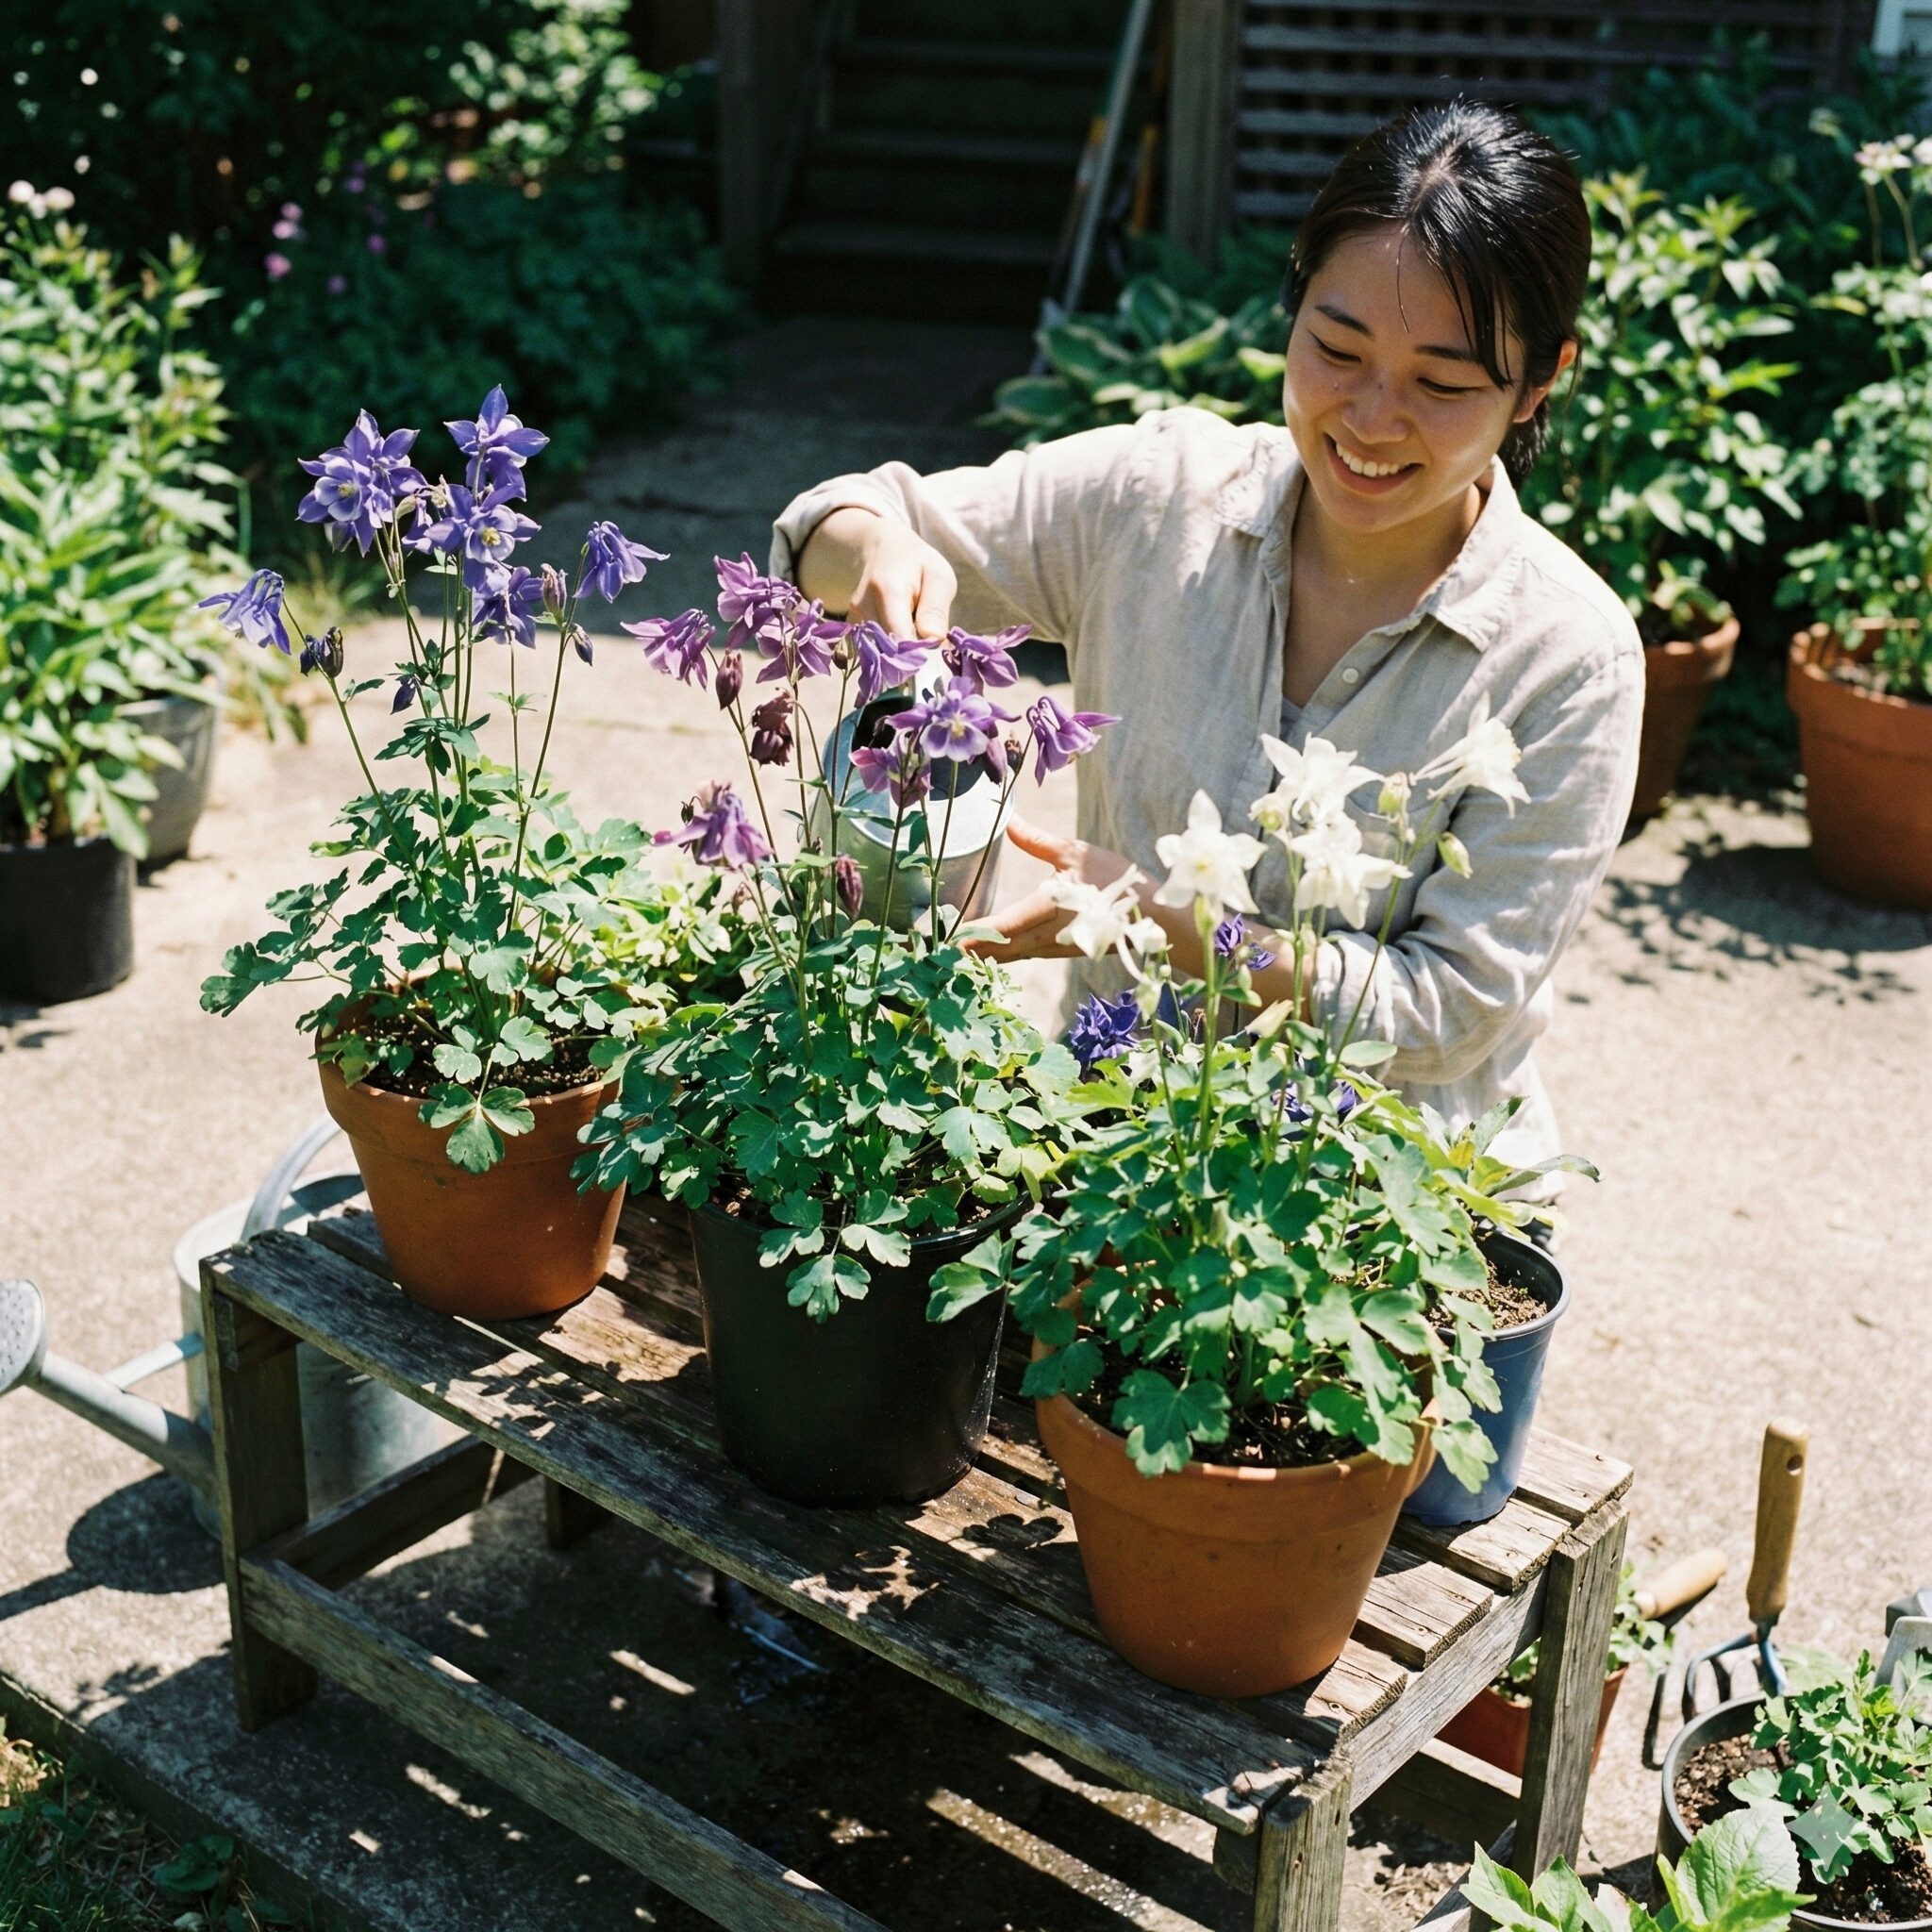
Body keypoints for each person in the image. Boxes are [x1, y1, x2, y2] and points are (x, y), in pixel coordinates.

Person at [771, 100, 1641, 1184]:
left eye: (1441, 384)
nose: (1371, 418)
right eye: (1336, 348)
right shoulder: (1157, 496)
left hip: (1376, 1211)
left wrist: (1173, 925)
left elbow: (1446, 1006)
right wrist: (873, 553)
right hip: (1102, 1160)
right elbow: (834, 518)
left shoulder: (1567, 654)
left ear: (1538, 382)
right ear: (1291, 309)